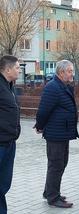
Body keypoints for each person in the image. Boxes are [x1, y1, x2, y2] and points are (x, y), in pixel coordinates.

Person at [34, 60, 78, 208]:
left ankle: (49, 192)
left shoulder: (63, 86)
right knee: (56, 165)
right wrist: (40, 126)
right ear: (61, 72)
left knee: (59, 163)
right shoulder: (53, 87)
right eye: (70, 71)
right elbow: (43, 110)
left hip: (62, 132)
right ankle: (53, 198)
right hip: (55, 134)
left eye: (72, 71)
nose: (72, 74)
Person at [0, 55, 21, 214]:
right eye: (17, 68)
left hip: (9, 143)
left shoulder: (9, 85)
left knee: (4, 184)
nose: (19, 71)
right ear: (7, 69)